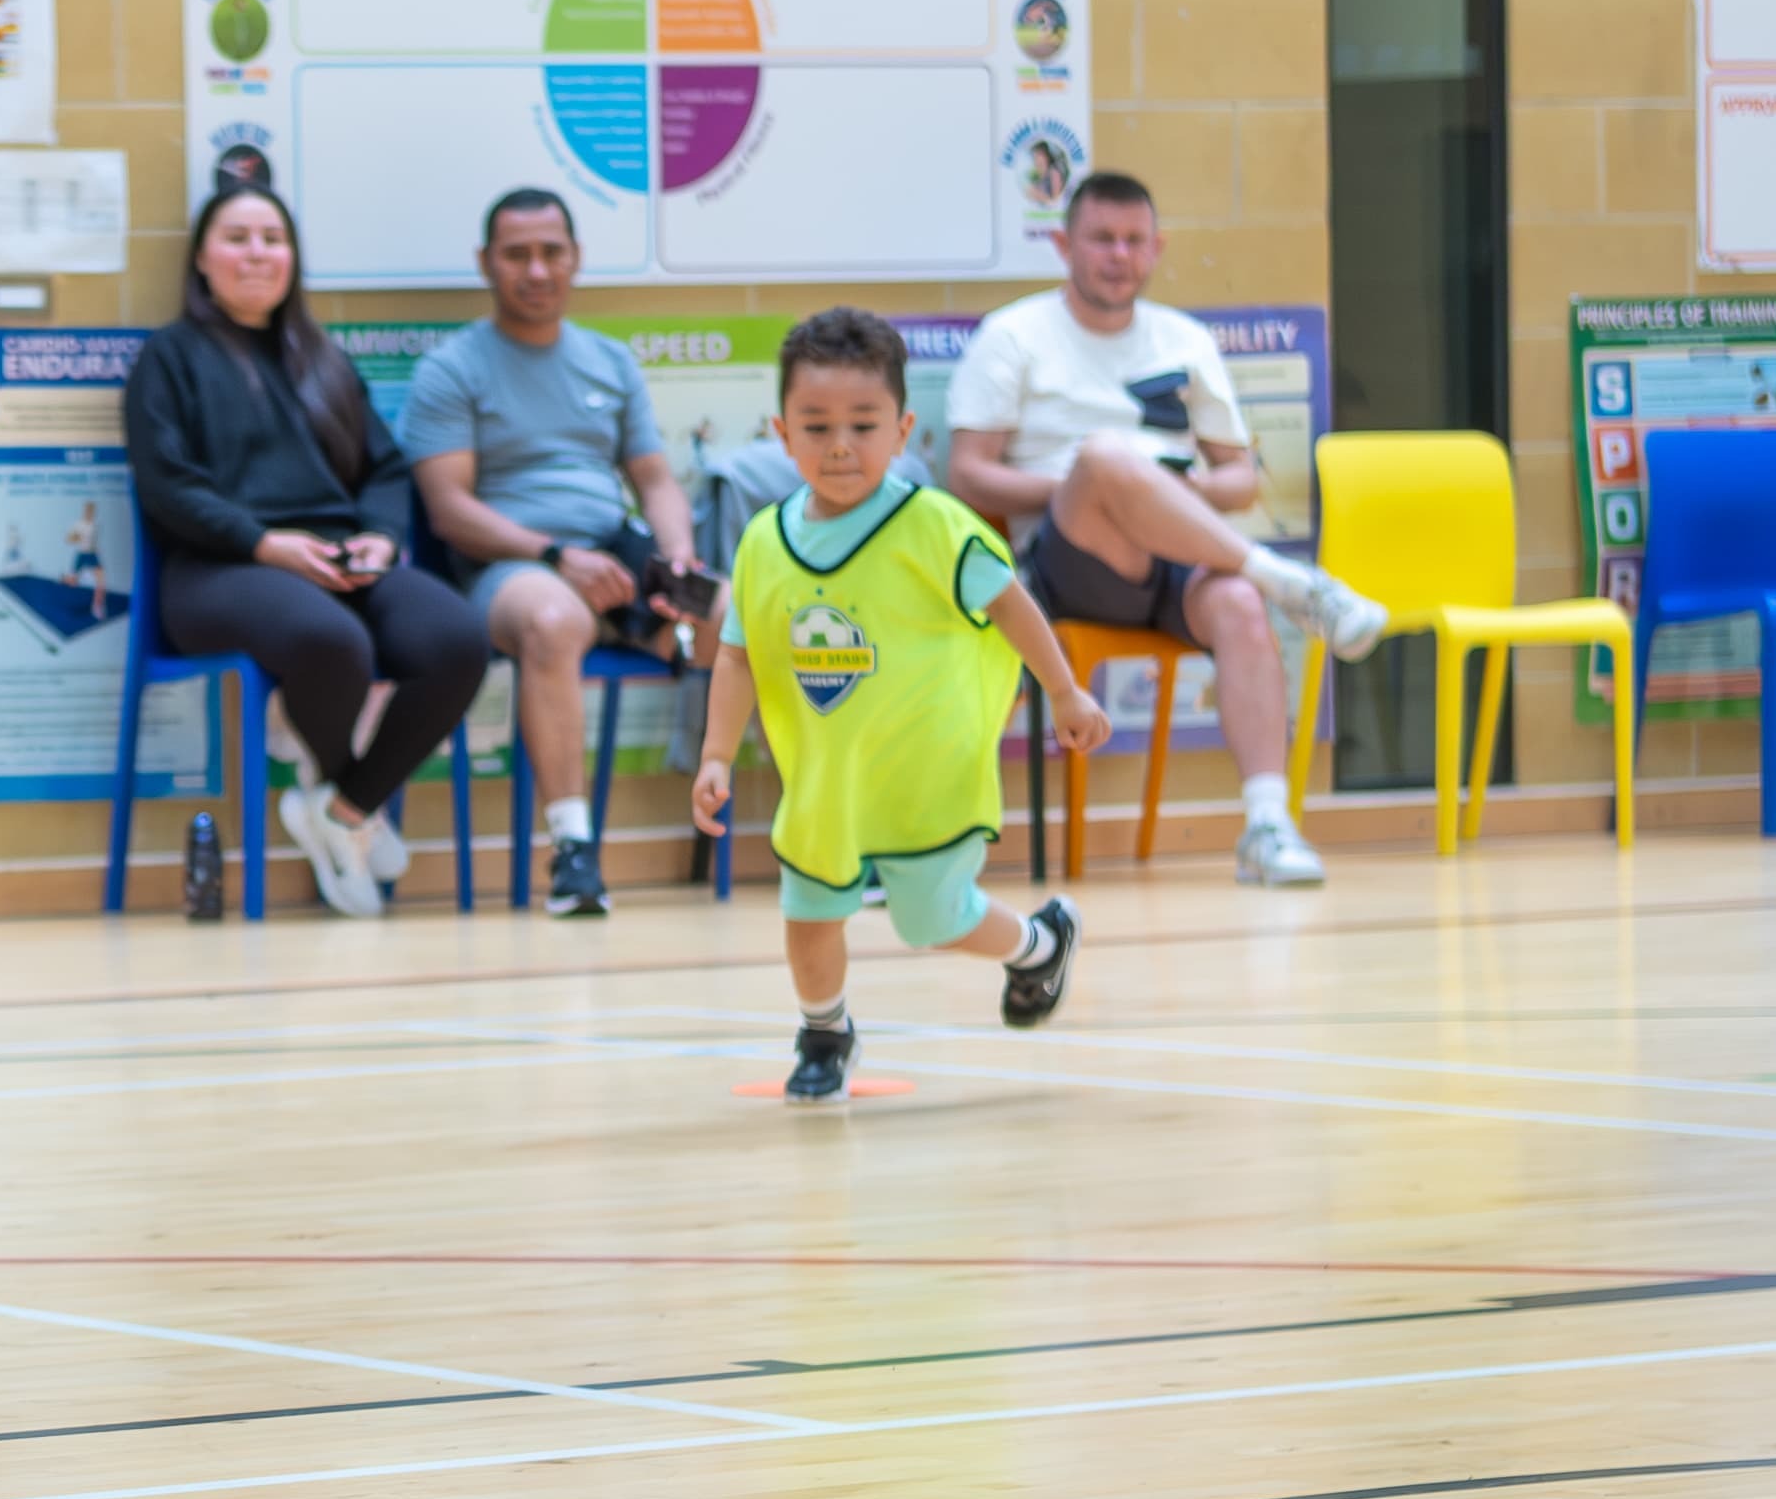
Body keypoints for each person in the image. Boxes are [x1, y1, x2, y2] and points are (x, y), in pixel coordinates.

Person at [938, 171, 1383, 888]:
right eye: (1101, 239)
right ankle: (1292, 583)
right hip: (1068, 561)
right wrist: (1096, 485)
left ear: (1157, 248)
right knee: (1105, 456)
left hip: (1175, 561)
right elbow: (967, 474)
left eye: (1134, 240)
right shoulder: (1013, 334)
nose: (1119, 255)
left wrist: (1164, 494)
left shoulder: (1186, 339)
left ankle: (1268, 827)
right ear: (1064, 246)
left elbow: (1240, 479)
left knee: (1239, 605)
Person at [695, 312, 1094, 1104]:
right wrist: (715, 753)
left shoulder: (934, 525)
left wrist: (1063, 688)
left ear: (903, 431)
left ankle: (1039, 944)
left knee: (933, 921)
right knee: (808, 912)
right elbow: (737, 654)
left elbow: (1011, 605)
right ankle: (824, 1032)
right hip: (827, 779)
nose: (840, 444)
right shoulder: (763, 542)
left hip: (925, 772)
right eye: (817, 426)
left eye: (863, 424)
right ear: (782, 432)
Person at [125, 182, 496, 917]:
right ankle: (354, 803)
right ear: (201, 257)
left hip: (335, 555)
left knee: (457, 638)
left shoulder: (323, 357)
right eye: (237, 237)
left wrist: (379, 538)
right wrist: (265, 543)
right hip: (218, 567)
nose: (257, 253)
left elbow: (385, 469)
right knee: (332, 640)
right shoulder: (169, 358)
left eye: (273, 239)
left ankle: (344, 809)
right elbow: (168, 485)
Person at [403, 189, 709, 918]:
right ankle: (574, 851)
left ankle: (830, 836)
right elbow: (449, 509)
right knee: (551, 620)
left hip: (616, 555)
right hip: (512, 569)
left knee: (743, 617)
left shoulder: (610, 360)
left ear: (575, 258)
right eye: (517, 255)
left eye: (551, 253)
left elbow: (655, 480)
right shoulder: (450, 369)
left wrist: (678, 557)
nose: (536, 270)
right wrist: (555, 555)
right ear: (486, 263)